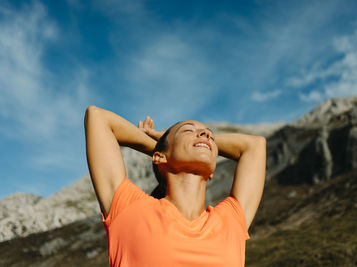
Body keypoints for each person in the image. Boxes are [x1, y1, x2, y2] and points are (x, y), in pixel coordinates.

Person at [84, 106, 266, 267]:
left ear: (212, 172)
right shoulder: (129, 208)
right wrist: (162, 148)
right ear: (158, 158)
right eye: (188, 130)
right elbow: (98, 117)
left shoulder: (230, 222)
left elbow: (255, 145)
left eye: (209, 134)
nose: (207, 135)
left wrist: (176, 145)